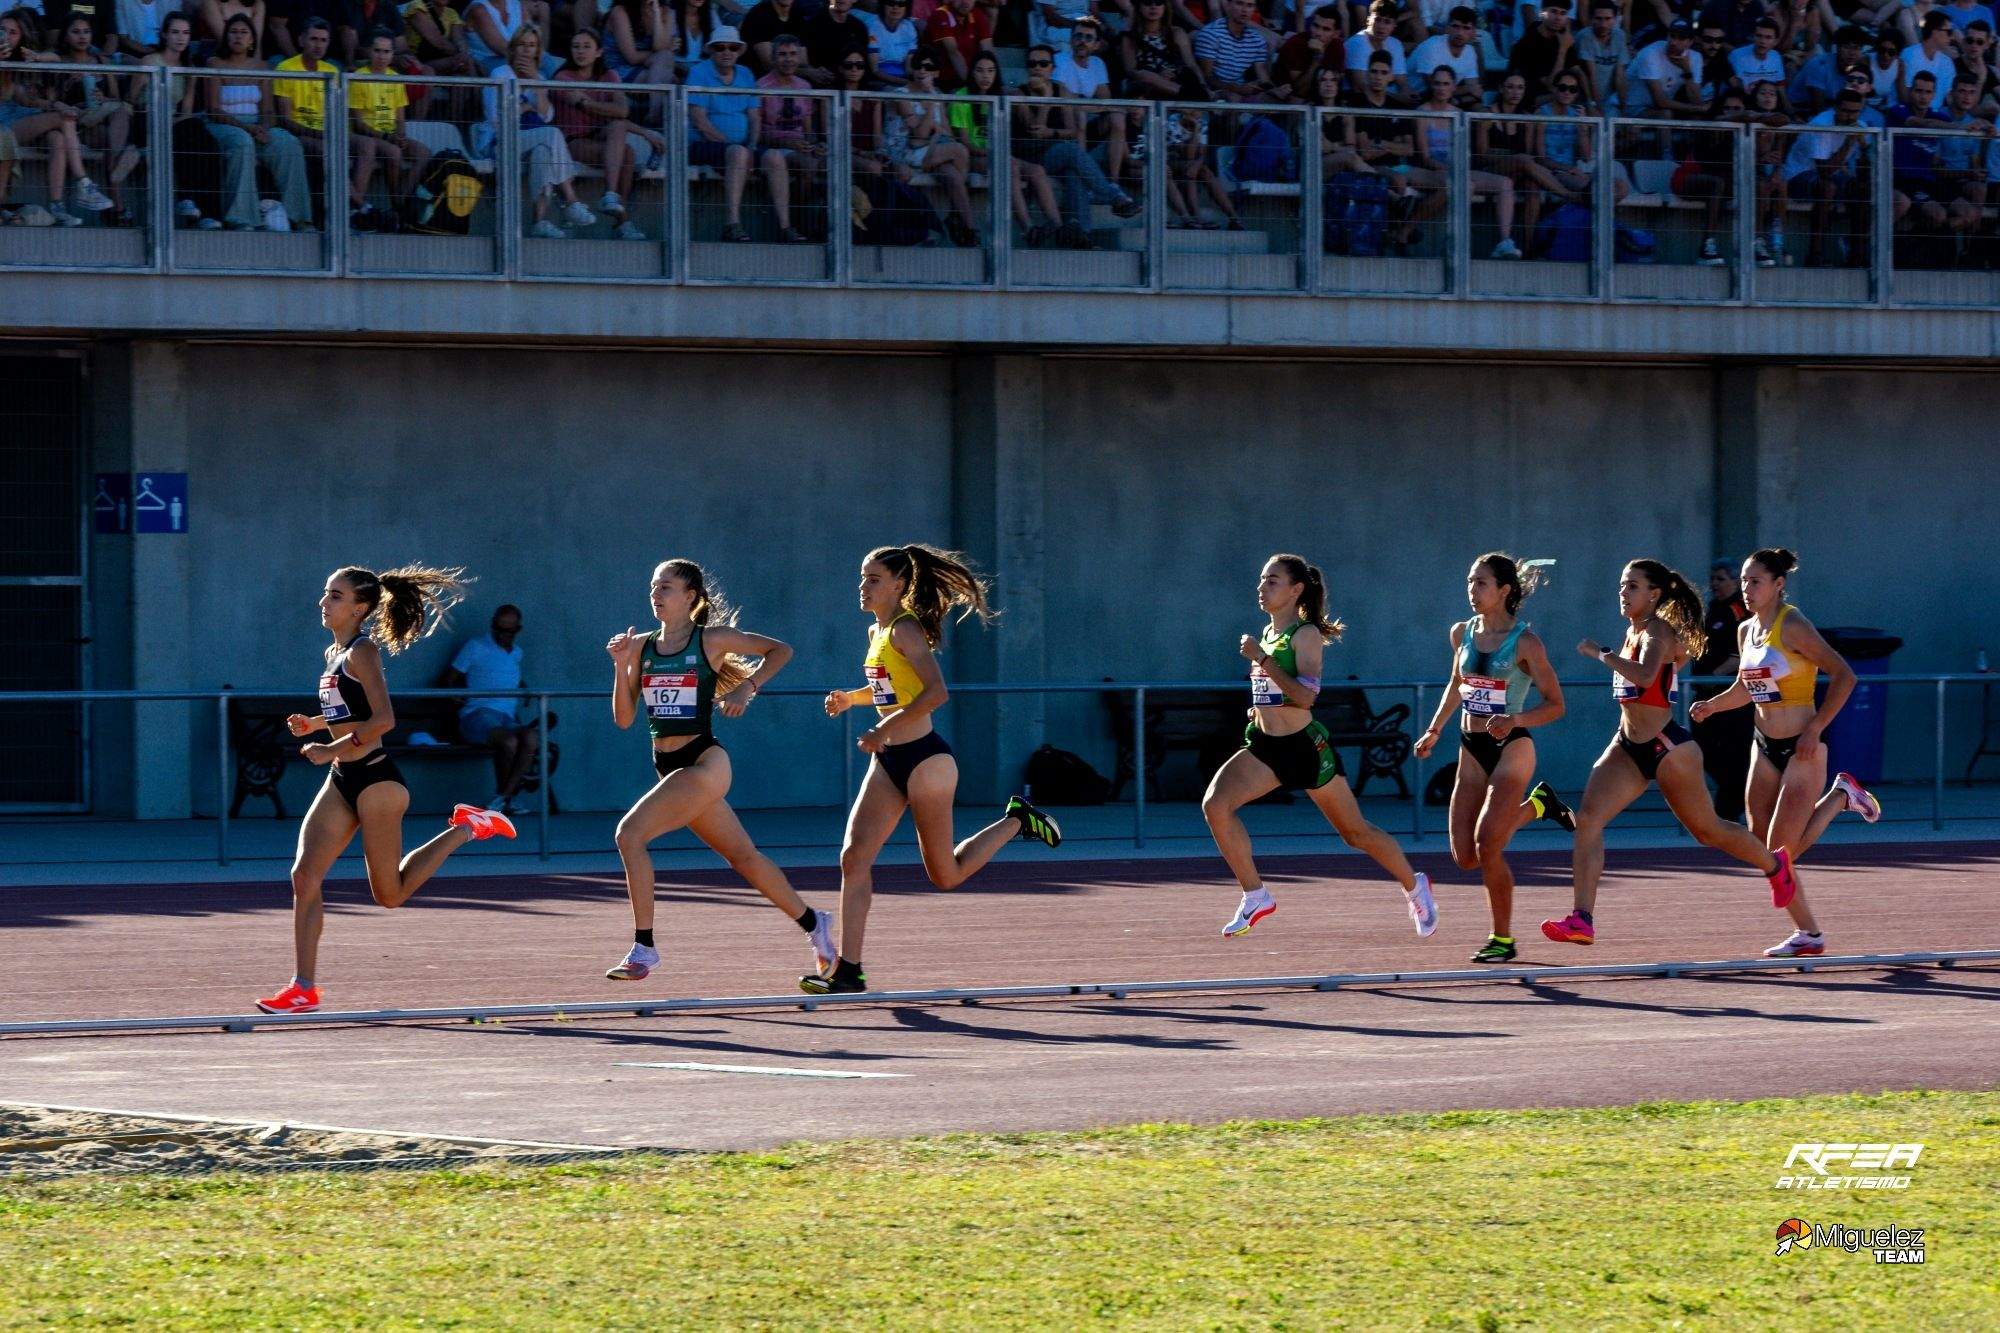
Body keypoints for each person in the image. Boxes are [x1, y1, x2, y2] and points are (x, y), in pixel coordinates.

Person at [806, 544, 1062, 996]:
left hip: (926, 760)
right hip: (889, 763)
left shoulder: (906, 629)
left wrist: (883, 730)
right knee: (853, 858)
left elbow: (936, 693)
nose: (862, 587)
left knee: (945, 875)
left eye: (873, 580)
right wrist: (852, 698)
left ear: (899, 586)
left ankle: (1017, 820)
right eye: (862, 578)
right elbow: (889, 688)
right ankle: (850, 970)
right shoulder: (876, 632)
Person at [259, 565, 515, 1015]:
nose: (324, 602)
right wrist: (313, 723)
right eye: (325, 594)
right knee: (304, 876)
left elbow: (383, 721)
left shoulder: (363, 652)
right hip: (342, 780)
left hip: (377, 781)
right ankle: (303, 987)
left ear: (359, 608)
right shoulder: (332, 653)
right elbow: (347, 711)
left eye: (334, 596)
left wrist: (327, 748)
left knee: (390, 894)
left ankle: (467, 827)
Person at [1540, 559, 1803, 948]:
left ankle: (1774, 864)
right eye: (1621, 586)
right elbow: (1671, 663)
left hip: (1668, 747)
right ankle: (1582, 918)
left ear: (1654, 594)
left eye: (1632, 587)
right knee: (1589, 820)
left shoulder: (1656, 631)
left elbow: (1646, 676)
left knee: (1707, 830)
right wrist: (1673, 659)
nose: (1623, 594)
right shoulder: (1639, 632)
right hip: (1627, 745)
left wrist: (1602, 654)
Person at [602, 560, 834, 984]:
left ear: (690, 597)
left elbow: (781, 650)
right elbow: (623, 718)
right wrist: (620, 665)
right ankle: (814, 923)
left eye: (666, 588)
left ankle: (645, 947)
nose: (656, 595)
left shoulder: (712, 639)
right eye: (653, 587)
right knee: (744, 857)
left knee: (628, 835)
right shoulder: (642, 647)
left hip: (705, 760)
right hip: (667, 766)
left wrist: (748, 686)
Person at [1208, 554, 1439, 943]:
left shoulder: (1305, 635)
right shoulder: (1265, 633)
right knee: (1215, 805)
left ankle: (1415, 887)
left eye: (1273, 581)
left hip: (1304, 749)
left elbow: (1306, 696)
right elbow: (1275, 693)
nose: (1262, 588)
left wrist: (1262, 660)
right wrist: (1259, 705)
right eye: (1262, 580)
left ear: (1296, 589)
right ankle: (1256, 895)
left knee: (1355, 833)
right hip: (1266, 746)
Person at [1690, 549, 1881, 958]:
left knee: (1781, 854)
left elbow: (1846, 675)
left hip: (1802, 749)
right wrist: (1713, 705)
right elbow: (1745, 688)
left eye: (1755, 581)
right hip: (1763, 747)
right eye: (1743, 580)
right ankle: (1808, 934)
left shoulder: (1793, 625)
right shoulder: (1745, 631)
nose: (1747, 588)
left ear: (1778, 585)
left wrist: (1815, 728)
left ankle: (1839, 798)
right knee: (1763, 850)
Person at [1414, 556, 1572, 963]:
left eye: (1481, 583)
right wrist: (1434, 729)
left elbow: (1556, 705)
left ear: (1504, 590)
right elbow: (1456, 684)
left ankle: (1502, 939)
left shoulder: (1525, 643)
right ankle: (1540, 805)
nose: (1472, 589)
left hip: (1513, 746)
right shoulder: (1461, 633)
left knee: (1488, 847)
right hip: (1471, 747)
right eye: (1469, 581)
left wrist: (1515, 718)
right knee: (1464, 857)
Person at [207, 12, 315, 230]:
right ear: (226, 37)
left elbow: (267, 110)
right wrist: (247, 129)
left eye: (243, 33)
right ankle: (241, 218)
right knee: (241, 142)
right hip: (225, 125)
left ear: (252, 40)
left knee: (288, 143)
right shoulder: (214, 63)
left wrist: (264, 128)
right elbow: (213, 109)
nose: (238, 37)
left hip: (256, 125)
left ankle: (300, 217)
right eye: (233, 32)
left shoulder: (262, 67)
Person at [555, 25, 658, 238]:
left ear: (599, 51)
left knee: (623, 138)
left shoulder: (610, 76)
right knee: (625, 151)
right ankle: (621, 219)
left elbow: (622, 111)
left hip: (603, 134)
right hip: (573, 140)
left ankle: (611, 197)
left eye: (586, 46)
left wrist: (645, 133)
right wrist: (606, 111)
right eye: (576, 47)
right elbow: (612, 111)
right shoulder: (563, 76)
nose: (580, 51)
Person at [442, 603, 541, 814]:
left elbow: (501, 672)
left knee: (531, 737)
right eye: (500, 629)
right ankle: (506, 798)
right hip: (477, 716)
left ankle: (504, 797)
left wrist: (522, 687)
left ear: (517, 630)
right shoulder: (475, 646)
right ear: (493, 626)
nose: (504, 634)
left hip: (506, 717)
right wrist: (453, 695)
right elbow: (449, 678)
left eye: (509, 630)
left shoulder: (517, 653)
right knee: (509, 741)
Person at [1689, 558, 1752, 819]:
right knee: (1704, 750)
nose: (1715, 584)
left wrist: (1714, 676)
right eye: (1713, 578)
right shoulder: (1712, 608)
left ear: (1736, 582)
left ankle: (1727, 813)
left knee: (1733, 758)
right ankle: (1728, 808)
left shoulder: (1739, 611)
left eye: (1721, 579)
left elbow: (1739, 656)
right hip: (1704, 695)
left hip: (1728, 697)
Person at [348, 31, 431, 221]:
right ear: (369, 52)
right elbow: (358, 124)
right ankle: (396, 205)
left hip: (391, 136)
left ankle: (401, 199)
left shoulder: (395, 78)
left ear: (393, 54)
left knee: (423, 153)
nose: (381, 56)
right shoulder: (358, 77)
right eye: (377, 51)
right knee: (394, 152)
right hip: (369, 137)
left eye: (386, 51)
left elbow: (400, 118)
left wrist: (400, 136)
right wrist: (388, 138)